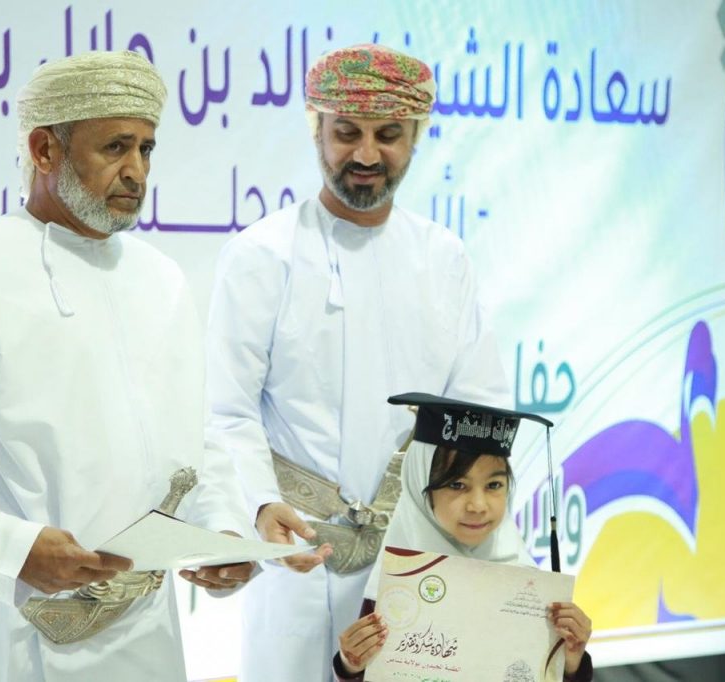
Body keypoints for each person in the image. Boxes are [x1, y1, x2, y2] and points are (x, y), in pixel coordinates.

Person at [0, 50, 253, 682]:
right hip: (19, 623)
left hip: (148, 627)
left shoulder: (162, 279)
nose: (136, 170)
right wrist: (11, 548)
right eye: (115, 147)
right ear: (44, 150)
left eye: (146, 149)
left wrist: (221, 529)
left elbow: (194, 438)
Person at [206, 44, 512, 681]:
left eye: (388, 135)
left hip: (419, 559)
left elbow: (480, 418)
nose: (367, 155)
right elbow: (226, 411)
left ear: (415, 137)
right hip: (296, 556)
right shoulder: (262, 255)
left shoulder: (443, 258)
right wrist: (258, 507)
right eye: (347, 133)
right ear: (315, 128)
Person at [334, 393, 593, 681]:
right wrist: (351, 666)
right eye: (457, 485)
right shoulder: (396, 588)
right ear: (421, 486)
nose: (478, 506)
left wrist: (571, 663)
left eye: (494, 485)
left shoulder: (530, 588)